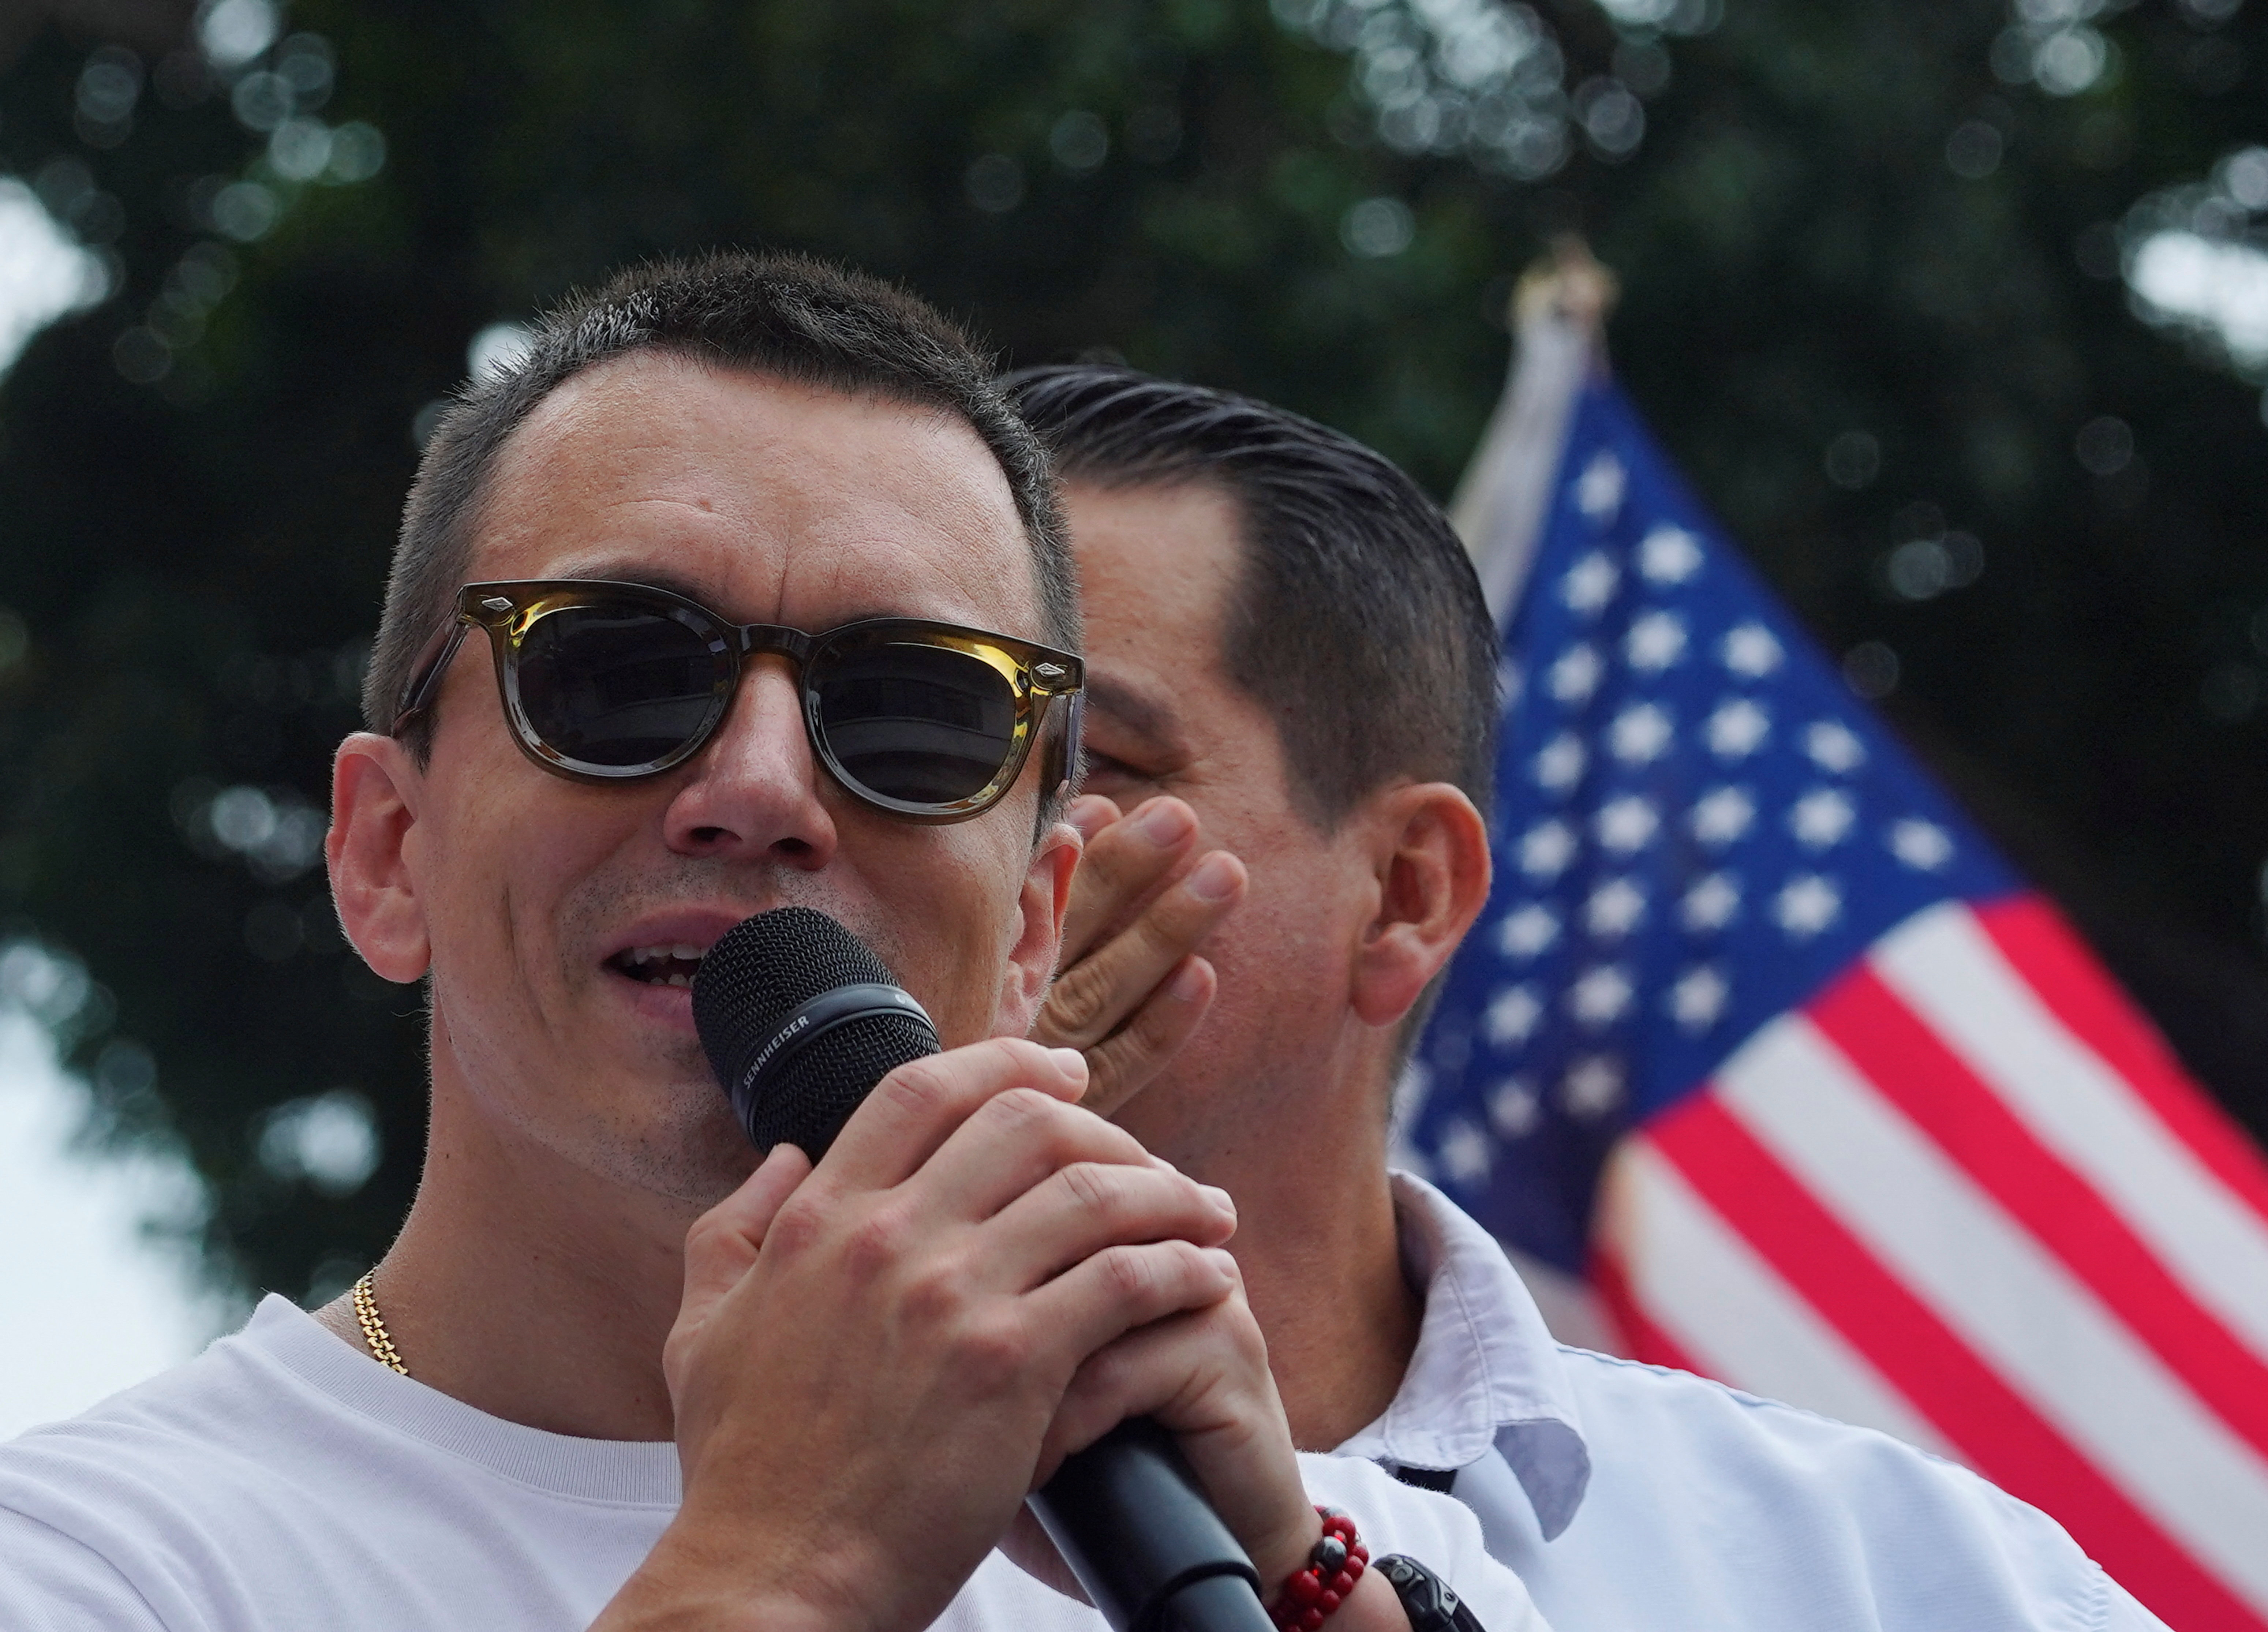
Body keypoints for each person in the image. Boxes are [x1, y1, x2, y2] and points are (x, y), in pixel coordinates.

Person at [0, 256, 1547, 1632]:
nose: (756, 790)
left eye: (914, 709)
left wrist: (1282, 1576)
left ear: (1029, 922)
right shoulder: (92, 1566)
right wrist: (791, 1565)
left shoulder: (1320, 1560)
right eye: (612, 672)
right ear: (385, 849)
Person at [1007, 363, 2171, 1632]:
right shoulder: (760, 1490)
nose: (951, 829)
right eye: (908, 737)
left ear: (1405, 892)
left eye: (1076, 759)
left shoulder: (1900, 1579)